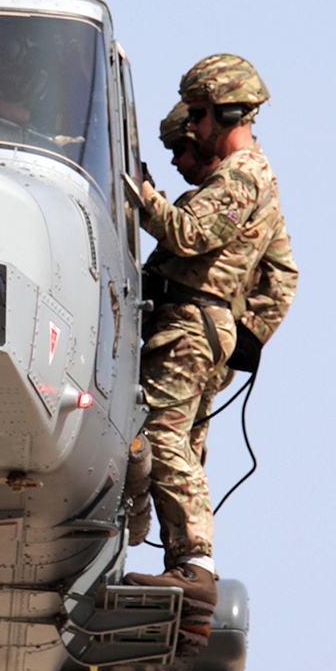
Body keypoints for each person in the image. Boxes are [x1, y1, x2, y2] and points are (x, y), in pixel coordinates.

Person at [121, 55, 285, 626]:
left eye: (197, 114)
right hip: (204, 326)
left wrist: (142, 197)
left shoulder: (241, 175)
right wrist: (243, 337)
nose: (191, 127)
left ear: (223, 110)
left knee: (163, 434)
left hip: (190, 324)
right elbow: (282, 275)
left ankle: (194, 568)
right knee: (182, 444)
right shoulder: (252, 176)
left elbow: (189, 234)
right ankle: (186, 571)